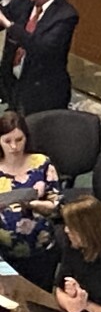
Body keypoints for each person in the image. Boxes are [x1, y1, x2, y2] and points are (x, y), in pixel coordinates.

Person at [0, 0, 79, 115]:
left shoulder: (65, 15)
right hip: (14, 84)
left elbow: (40, 48)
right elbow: (6, 16)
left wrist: (10, 25)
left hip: (43, 92)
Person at [0, 111, 60, 290]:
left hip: (39, 248)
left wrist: (35, 205)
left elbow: (57, 205)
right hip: (3, 252)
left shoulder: (42, 163)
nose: (14, 147)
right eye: (7, 141)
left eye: (19, 140)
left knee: (38, 299)